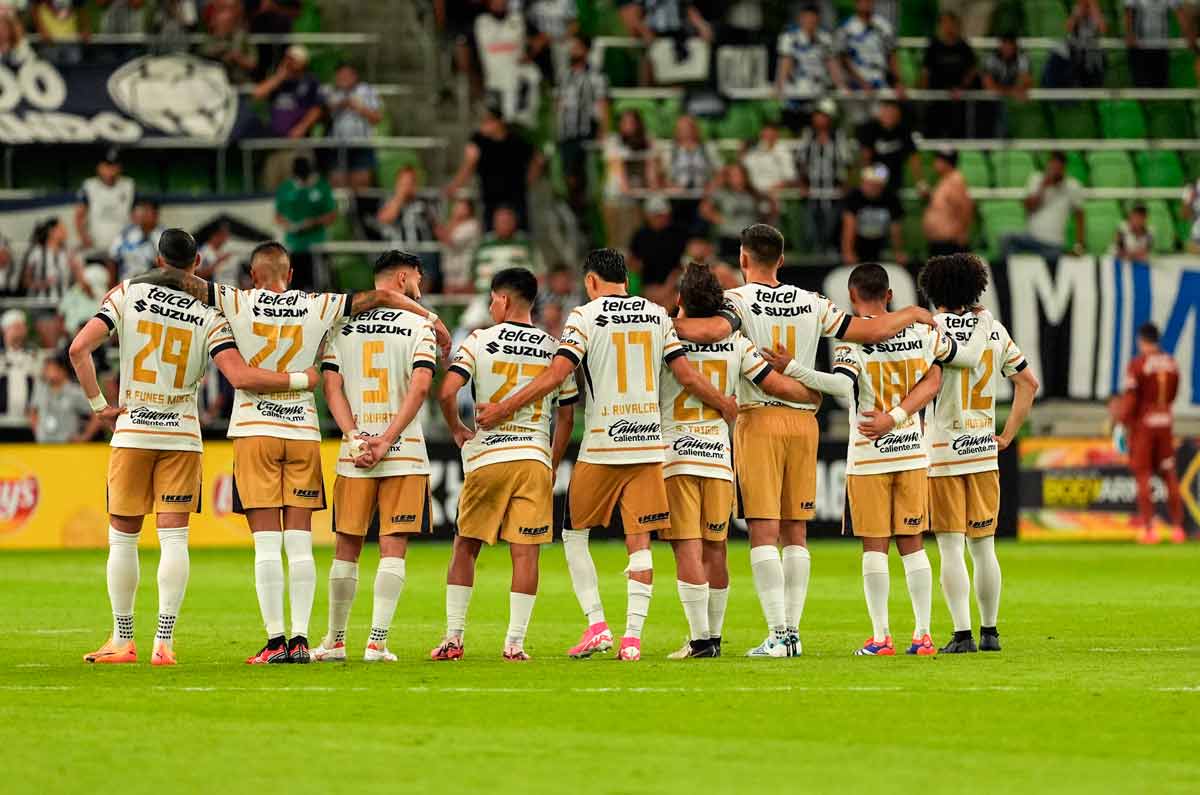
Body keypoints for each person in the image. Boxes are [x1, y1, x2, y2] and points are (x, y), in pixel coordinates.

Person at [127, 240, 449, 664]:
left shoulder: (236, 300)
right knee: (299, 545)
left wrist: (133, 282)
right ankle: (301, 638)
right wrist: (431, 317)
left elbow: (177, 278)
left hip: (255, 431)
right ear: (291, 274)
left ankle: (275, 640)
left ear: (253, 275)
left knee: (266, 545)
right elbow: (385, 295)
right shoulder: (318, 304)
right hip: (301, 433)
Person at [671, 224, 935, 657]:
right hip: (805, 425)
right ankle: (792, 632)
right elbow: (868, 331)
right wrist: (910, 314)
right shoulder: (812, 302)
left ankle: (779, 634)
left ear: (742, 259)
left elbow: (711, 333)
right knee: (796, 531)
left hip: (759, 418)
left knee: (763, 529)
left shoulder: (736, 301)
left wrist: (659, 323)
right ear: (781, 260)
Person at [67, 229, 323, 666]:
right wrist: (302, 379)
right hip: (182, 434)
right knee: (174, 539)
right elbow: (237, 373)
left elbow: (78, 349)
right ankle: (163, 642)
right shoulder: (210, 315)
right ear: (198, 263)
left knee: (123, 540)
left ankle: (123, 638)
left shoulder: (127, 293)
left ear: (157, 257)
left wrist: (100, 406)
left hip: (133, 428)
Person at [475, 248, 736, 662]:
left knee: (574, 534)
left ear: (592, 281)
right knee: (640, 541)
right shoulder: (656, 314)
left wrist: (504, 408)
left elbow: (558, 375)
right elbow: (685, 374)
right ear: (626, 281)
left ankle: (597, 624)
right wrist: (723, 402)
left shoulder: (583, 316)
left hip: (601, 445)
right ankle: (632, 639)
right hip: (649, 445)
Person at [774, 264, 951, 656]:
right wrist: (899, 418)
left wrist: (793, 368)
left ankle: (881, 636)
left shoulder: (850, 343)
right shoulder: (921, 332)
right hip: (910, 451)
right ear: (889, 294)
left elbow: (840, 384)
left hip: (869, 456)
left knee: (875, 547)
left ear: (852, 298)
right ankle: (923, 635)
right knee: (913, 544)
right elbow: (935, 380)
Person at [661, 262, 822, 659]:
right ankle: (714, 638)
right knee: (716, 547)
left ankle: (700, 640)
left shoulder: (663, 337)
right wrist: (812, 394)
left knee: (687, 547)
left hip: (677, 454)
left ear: (680, 300)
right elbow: (774, 382)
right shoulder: (737, 343)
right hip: (718, 457)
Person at [432, 267, 579, 661]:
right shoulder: (554, 347)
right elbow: (567, 416)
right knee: (526, 553)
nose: (491, 305)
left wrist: (457, 428)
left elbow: (447, 391)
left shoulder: (479, 340)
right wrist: (551, 461)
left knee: (465, 546)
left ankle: (453, 638)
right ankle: (514, 643)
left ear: (505, 300)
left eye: (493, 299)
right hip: (532, 457)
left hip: (488, 457)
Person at [311, 251, 438, 663]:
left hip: (356, 452)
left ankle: (334, 640)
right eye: (418, 277)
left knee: (346, 547)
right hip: (404, 451)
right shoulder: (421, 323)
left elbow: (332, 388)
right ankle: (377, 642)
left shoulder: (341, 324)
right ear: (404, 277)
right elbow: (420, 388)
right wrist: (386, 439)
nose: (420, 283)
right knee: (392, 546)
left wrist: (354, 437)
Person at [918, 253, 1038, 653]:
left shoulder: (931, 329)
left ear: (934, 289)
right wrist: (1006, 434)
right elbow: (1028, 383)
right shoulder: (994, 329)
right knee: (984, 546)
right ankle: (991, 632)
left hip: (943, 451)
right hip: (984, 449)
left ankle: (962, 634)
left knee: (951, 546)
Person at [1117, 323, 1186, 544]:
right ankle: (1177, 529)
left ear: (1142, 340)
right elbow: (1173, 393)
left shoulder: (1138, 365)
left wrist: (1122, 423)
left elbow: (1131, 398)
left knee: (1143, 477)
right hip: (1165, 422)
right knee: (1170, 475)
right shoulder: (1171, 363)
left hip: (1144, 426)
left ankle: (1149, 530)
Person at [444, 103, 542, 230]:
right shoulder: (479, 140)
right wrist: (455, 186)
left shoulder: (516, 140)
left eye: (488, 121)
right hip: (491, 200)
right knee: (490, 237)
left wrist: (527, 182)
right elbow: (469, 164)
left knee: (519, 236)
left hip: (516, 200)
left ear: (498, 122)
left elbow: (538, 159)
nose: (484, 125)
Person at [252, 45, 323, 189]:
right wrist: (279, 77)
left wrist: (302, 127)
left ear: (304, 62)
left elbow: (317, 108)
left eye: (294, 59)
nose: (290, 62)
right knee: (272, 187)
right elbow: (257, 94)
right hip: (274, 146)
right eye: (288, 59)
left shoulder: (311, 81)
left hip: (298, 147)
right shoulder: (277, 80)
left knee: (297, 188)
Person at [556, 33, 609, 223]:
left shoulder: (595, 75)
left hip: (585, 132)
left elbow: (602, 103)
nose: (573, 50)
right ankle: (575, 212)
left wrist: (604, 131)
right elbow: (560, 103)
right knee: (568, 175)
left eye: (577, 46)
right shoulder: (565, 75)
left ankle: (585, 215)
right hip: (566, 132)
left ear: (586, 50)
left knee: (583, 175)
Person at [1001, 151, 1086, 263]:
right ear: (1048, 165)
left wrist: (1079, 246)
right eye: (1053, 166)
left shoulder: (1072, 186)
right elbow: (1028, 206)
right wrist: (1043, 186)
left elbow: (1080, 216)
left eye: (1059, 167)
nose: (1055, 170)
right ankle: (1010, 275)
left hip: (1054, 244)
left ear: (1064, 168)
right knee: (1006, 239)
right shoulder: (1036, 179)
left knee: (1055, 258)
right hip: (1031, 238)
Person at [793, 97, 854, 254]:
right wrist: (802, 184)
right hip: (812, 191)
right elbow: (800, 162)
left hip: (833, 192)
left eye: (823, 115)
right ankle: (813, 257)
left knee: (831, 227)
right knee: (811, 230)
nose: (819, 119)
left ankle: (829, 253)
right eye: (817, 115)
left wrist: (845, 185)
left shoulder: (838, 136)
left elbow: (847, 162)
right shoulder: (808, 136)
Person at [774, 3, 841, 128]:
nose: (810, 21)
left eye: (813, 18)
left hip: (817, 93)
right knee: (792, 127)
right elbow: (785, 63)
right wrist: (779, 87)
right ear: (801, 18)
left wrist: (841, 86)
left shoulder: (825, 38)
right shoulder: (789, 37)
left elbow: (832, 64)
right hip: (795, 92)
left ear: (818, 19)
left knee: (817, 127)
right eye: (807, 18)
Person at [603, 109, 661, 250]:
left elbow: (651, 166)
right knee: (616, 240)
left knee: (635, 240)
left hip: (638, 197)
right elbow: (617, 166)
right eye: (625, 122)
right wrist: (626, 189)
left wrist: (651, 188)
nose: (629, 125)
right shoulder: (613, 141)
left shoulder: (647, 141)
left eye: (632, 122)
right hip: (616, 197)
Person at [274, 156, 336, 290]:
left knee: (319, 288)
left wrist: (313, 222)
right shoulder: (286, 188)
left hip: (317, 246)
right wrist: (289, 225)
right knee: (295, 290)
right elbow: (278, 216)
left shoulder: (322, 186)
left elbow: (331, 215)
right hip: (293, 247)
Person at [321, 62, 383, 191]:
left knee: (361, 185)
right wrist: (341, 104)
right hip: (336, 146)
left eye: (347, 75)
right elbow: (321, 115)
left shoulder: (366, 90)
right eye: (340, 75)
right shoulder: (329, 91)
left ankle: (359, 209)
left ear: (355, 76)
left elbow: (377, 118)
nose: (343, 78)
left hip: (361, 144)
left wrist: (359, 108)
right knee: (336, 184)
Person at [376, 166, 441, 279]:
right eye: (403, 183)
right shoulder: (389, 202)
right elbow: (385, 219)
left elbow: (438, 229)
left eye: (411, 182)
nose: (407, 186)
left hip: (422, 258)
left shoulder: (424, 203)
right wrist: (400, 196)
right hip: (397, 258)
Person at [920, 11, 978, 139]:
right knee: (931, 136)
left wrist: (962, 87)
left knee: (956, 137)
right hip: (936, 99)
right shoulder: (933, 46)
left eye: (952, 24)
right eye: (945, 24)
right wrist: (925, 96)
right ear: (940, 26)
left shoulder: (964, 47)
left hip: (957, 100)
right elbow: (925, 72)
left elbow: (973, 70)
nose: (949, 28)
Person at [700, 162, 769, 261]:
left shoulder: (754, 193)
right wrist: (717, 218)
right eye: (733, 175)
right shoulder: (722, 193)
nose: (737, 178)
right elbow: (704, 209)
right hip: (729, 237)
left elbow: (769, 207)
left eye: (740, 174)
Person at [629, 194, 688, 308]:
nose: (660, 218)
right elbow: (633, 263)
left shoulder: (678, 234)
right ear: (647, 215)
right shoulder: (640, 235)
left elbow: (682, 265)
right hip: (649, 287)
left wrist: (666, 288)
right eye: (656, 215)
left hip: (674, 285)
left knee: (672, 302)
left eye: (662, 215)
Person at [856, 100, 922, 200]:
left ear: (898, 116)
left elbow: (913, 158)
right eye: (887, 113)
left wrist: (920, 182)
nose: (890, 116)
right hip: (874, 177)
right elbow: (865, 156)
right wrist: (866, 179)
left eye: (893, 114)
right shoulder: (870, 129)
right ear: (881, 113)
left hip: (895, 178)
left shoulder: (904, 131)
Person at [842, 164, 905, 266]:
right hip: (859, 242)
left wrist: (898, 251)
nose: (871, 188)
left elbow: (895, 227)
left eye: (875, 185)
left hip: (880, 242)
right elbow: (849, 225)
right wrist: (848, 251)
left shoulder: (891, 198)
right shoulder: (854, 197)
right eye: (868, 184)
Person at [29, 353, 101, 443]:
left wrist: (85, 437)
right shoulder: (40, 389)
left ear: (62, 370)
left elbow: (98, 414)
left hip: (66, 446)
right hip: (43, 444)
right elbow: (33, 412)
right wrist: (38, 431)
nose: (45, 371)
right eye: (46, 368)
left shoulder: (75, 392)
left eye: (50, 368)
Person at [75, 149, 135, 257]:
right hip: (96, 246)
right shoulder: (89, 186)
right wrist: (84, 238)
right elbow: (79, 216)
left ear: (119, 168)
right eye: (107, 166)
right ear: (99, 167)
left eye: (114, 166)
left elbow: (136, 216)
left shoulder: (128, 185)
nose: (110, 170)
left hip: (122, 248)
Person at [835, 0, 901, 94]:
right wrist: (860, 82)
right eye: (863, 1)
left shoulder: (884, 26)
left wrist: (898, 81)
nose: (866, 4)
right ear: (856, 3)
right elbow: (841, 58)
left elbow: (892, 54)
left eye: (869, 1)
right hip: (854, 84)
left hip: (880, 81)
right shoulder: (845, 28)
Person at [1125, 0, 1194, 88]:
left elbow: (1179, 13)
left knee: (1160, 85)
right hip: (1139, 47)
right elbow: (1128, 12)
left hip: (1161, 46)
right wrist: (1130, 34)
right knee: (1141, 86)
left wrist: (1189, 35)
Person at [922, 150, 974, 260]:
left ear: (946, 162)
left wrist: (962, 232)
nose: (935, 163)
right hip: (940, 242)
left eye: (938, 160)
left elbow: (965, 208)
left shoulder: (955, 181)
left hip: (950, 243)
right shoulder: (944, 180)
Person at [981, 33, 1033, 137]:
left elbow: (1027, 81)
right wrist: (1012, 92)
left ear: (1015, 46)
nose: (1008, 48)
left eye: (1011, 44)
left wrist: (1016, 90)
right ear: (1000, 45)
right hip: (992, 101)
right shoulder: (990, 58)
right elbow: (988, 85)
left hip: (1010, 98)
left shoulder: (1022, 57)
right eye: (1005, 44)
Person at [197, 0, 257, 84]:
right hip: (213, 83)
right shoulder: (209, 38)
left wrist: (236, 57)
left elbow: (252, 63)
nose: (221, 19)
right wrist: (218, 52)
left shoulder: (242, 36)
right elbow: (201, 57)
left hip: (239, 84)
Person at [23, 217, 79, 301]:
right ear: (51, 231)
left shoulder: (68, 252)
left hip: (65, 303)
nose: (65, 232)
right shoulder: (37, 252)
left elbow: (76, 279)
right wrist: (42, 284)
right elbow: (26, 281)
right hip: (42, 303)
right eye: (61, 229)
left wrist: (75, 269)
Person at [109, 198, 163, 281]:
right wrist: (112, 284)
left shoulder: (164, 236)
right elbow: (113, 258)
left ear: (155, 215)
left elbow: (167, 267)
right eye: (140, 210)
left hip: (153, 285)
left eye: (146, 211)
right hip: (125, 282)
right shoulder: (126, 234)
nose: (142, 214)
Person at [437, 197, 483, 293]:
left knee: (463, 299)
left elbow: (449, 240)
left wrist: (453, 220)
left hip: (465, 267)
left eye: (461, 206)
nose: (457, 209)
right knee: (449, 301)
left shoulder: (472, 225)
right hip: (449, 267)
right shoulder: (451, 223)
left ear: (469, 209)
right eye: (456, 206)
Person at [742, 121, 796, 195]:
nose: (765, 136)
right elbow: (744, 166)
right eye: (764, 133)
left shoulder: (783, 152)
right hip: (754, 194)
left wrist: (773, 190)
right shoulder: (755, 150)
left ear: (776, 134)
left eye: (769, 133)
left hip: (776, 194)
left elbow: (790, 178)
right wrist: (743, 149)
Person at [1067, 0, 1107, 88]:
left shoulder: (1096, 11)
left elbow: (1102, 29)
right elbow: (1069, 28)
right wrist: (1078, 13)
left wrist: (1094, 8)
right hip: (1078, 55)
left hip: (1095, 55)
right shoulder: (1077, 10)